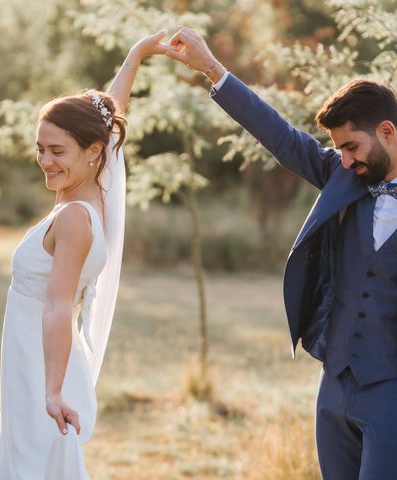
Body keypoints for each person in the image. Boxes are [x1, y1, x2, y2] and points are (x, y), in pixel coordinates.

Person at [165, 27, 397, 480]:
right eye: (338, 150)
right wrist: (212, 68)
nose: (345, 160)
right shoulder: (343, 174)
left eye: (352, 146)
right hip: (333, 387)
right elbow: (284, 139)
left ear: (387, 131)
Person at [0, 31, 175, 479]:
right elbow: (109, 111)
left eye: (57, 151)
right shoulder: (94, 186)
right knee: (21, 455)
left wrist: (51, 391)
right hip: (37, 355)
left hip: (42, 360)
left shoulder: (73, 219)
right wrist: (137, 54)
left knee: (29, 461)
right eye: (40, 149)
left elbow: (59, 304)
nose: (46, 161)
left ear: (93, 152)